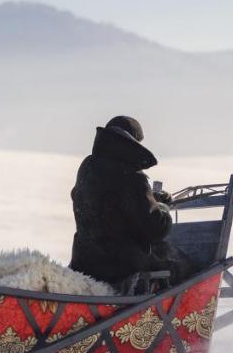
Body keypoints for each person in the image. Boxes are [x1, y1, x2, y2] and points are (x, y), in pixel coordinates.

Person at [68, 115, 182, 289]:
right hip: (120, 267)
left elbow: (110, 202)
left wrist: (151, 199)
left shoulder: (87, 167)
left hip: (84, 262)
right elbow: (155, 229)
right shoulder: (131, 175)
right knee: (181, 266)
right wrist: (163, 208)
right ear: (133, 143)